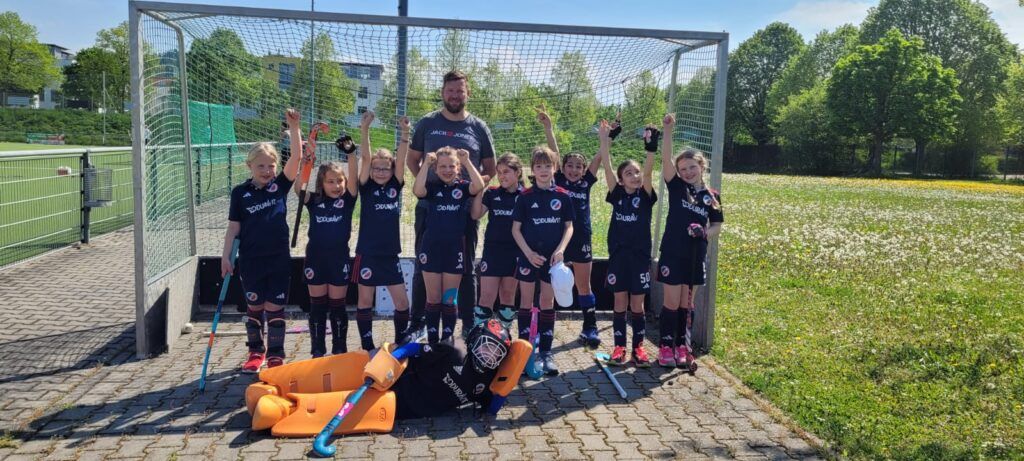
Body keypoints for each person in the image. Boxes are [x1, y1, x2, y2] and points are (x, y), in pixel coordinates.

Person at [246, 320, 532, 435]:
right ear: (474, 340)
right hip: (396, 378)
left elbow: (493, 404)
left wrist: (504, 388)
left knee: (346, 404)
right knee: (349, 370)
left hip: (400, 407)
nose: (489, 356)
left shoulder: (485, 384)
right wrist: (393, 356)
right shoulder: (455, 350)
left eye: (497, 353)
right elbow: (415, 349)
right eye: (486, 346)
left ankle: (283, 408)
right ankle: (275, 384)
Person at [407, 70, 497, 339]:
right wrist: (428, 189)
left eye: (460, 91)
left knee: (466, 267)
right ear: (442, 93)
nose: (455, 95)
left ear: (468, 93)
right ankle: (418, 322)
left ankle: (468, 323)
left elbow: (490, 168)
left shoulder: (478, 127)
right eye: (450, 91)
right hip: (430, 210)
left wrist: (473, 192)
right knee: (424, 265)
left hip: (464, 210)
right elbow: (412, 160)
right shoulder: (427, 123)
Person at [222, 108, 301, 373]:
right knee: (255, 307)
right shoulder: (239, 193)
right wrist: (225, 257)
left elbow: (296, 158)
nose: (267, 171)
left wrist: (294, 128)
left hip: (278, 259)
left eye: (271, 165)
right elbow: (233, 228)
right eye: (261, 166)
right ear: (250, 166)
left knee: (275, 308)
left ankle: (276, 354)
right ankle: (255, 352)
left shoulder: (280, 186)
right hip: (251, 260)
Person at [655, 114, 724, 368]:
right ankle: (665, 347)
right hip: (673, 253)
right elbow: (665, 160)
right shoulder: (676, 187)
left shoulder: (712, 196)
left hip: (695, 256)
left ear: (702, 166)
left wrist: (704, 232)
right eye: (683, 169)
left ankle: (682, 346)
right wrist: (668, 131)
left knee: (687, 303)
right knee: (672, 302)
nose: (687, 172)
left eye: (692, 167)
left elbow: (717, 225)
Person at [536, 105, 607, 349]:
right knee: (551, 286)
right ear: (562, 167)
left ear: (584, 170)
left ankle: (590, 327)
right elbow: (554, 152)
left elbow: (600, 156)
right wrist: (548, 128)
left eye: (579, 166)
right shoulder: (559, 180)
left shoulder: (586, 182)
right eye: (570, 165)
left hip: (582, 238)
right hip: (559, 240)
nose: (574, 169)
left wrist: (606, 138)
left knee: (583, 285)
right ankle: (545, 330)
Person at [511, 146, 575, 376]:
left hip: (552, 260)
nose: (543, 170)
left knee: (547, 301)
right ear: (532, 169)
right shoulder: (525, 197)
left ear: (555, 168)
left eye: (548, 165)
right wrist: (528, 254)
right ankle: (522, 354)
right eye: (538, 166)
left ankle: (546, 353)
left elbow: (569, 227)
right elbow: (515, 230)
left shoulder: (563, 196)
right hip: (529, 258)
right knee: (526, 302)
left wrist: (561, 250)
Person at [598, 119, 656, 367]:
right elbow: (607, 166)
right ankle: (619, 347)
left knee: (637, 305)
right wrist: (604, 139)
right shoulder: (617, 193)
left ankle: (639, 349)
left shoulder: (646, 195)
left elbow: (649, 171)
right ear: (621, 180)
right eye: (628, 173)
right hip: (619, 258)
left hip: (639, 257)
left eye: (636, 172)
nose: (634, 176)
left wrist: (650, 148)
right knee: (620, 303)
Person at [412, 147, 485, 343]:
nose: (447, 170)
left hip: (454, 250)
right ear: (436, 169)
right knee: (433, 298)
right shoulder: (431, 187)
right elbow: (417, 190)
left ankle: (447, 339)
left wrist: (467, 161)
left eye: (451, 166)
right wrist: (425, 165)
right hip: (431, 249)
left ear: (458, 168)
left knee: (449, 299)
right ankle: (432, 340)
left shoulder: (463, 188)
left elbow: (479, 185)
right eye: (442, 166)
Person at [352, 110, 411, 351]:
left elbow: (402, 159)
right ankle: (368, 346)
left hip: (389, 255)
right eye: (377, 168)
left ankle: (401, 342)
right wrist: (365, 129)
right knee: (365, 301)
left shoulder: (396, 184)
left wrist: (405, 132)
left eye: (385, 169)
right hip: (367, 254)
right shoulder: (366, 187)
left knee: (402, 302)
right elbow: (365, 158)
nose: (380, 172)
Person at [294, 150, 359, 358]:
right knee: (317, 307)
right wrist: (304, 166)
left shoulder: (347, 200)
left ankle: (339, 349)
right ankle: (317, 350)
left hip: (339, 260)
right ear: (321, 183)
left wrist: (351, 155)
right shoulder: (314, 201)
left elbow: (354, 181)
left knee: (338, 307)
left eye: (340, 181)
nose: (336, 185)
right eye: (330, 181)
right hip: (316, 259)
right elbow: (298, 188)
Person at [470, 153, 524, 329]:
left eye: (506, 171)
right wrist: (480, 189)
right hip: (492, 252)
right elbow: (475, 214)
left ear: (518, 172)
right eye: (499, 172)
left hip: (515, 252)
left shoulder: (526, 195)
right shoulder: (492, 193)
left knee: (508, 295)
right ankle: (479, 335)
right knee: (486, 296)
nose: (502, 176)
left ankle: (503, 335)